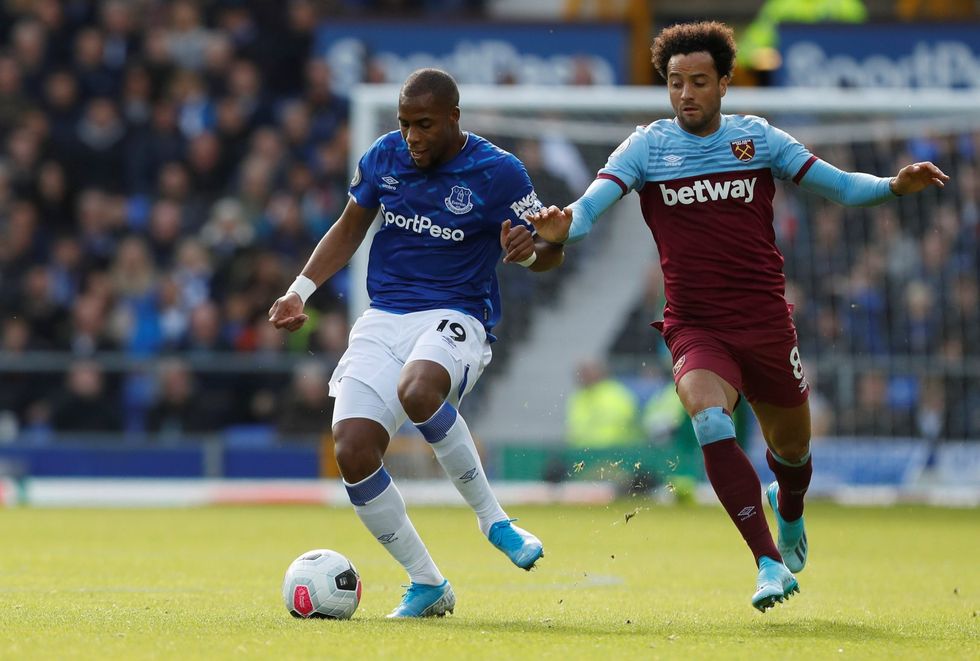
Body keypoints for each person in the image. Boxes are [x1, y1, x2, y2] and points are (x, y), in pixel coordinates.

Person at [527, 21, 948, 612]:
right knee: (709, 419)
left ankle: (790, 509)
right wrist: (560, 225)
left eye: (699, 81)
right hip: (696, 325)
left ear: (725, 83)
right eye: (675, 83)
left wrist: (894, 186)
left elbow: (844, 189)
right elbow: (587, 211)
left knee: (794, 454)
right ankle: (768, 562)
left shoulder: (758, 139)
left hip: (766, 323)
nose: (686, 94)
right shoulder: (646, 147)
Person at [268, 68, 564, 618]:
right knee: (353, 450)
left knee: (419, 389)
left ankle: (494, 520)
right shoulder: (385, 156)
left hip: (457, 315)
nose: (413, 137)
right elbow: (350, 226)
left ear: (454, 117)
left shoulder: (499, 172)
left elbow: (551, 252)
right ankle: (427, 583)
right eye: (405, 125)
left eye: (424, 124)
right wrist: (299, 291)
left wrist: (526, 250)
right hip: (383, 319)